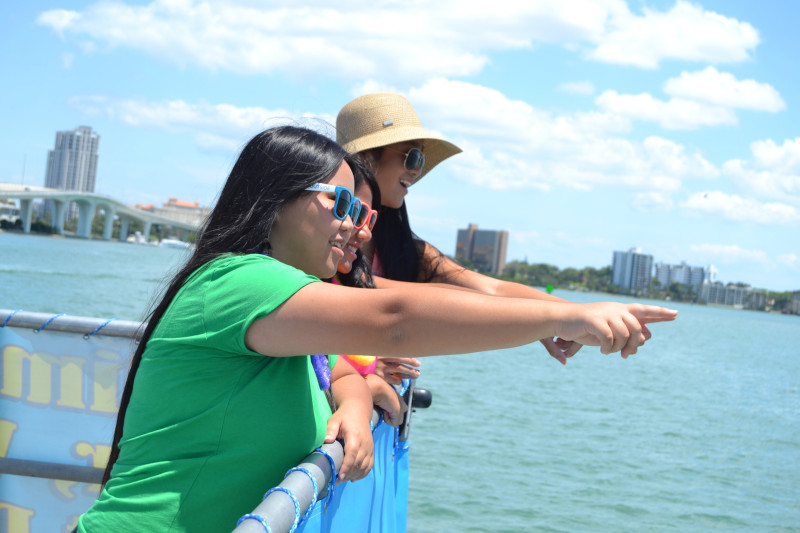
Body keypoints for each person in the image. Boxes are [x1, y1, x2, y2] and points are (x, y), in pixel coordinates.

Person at [77, 125, 676, 532]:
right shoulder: (236, 281)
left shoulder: (289, 307)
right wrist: (565, 315)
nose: (357, 226)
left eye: (362, 211)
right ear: (275, 202)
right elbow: (392, 322)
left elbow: (336, 363)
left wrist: (357, 403)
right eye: (340, 204)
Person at [336, 93, 587, 365]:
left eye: (420, 161)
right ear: (367, 158)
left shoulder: (405, 249)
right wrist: (549, 318)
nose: (416, 171)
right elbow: (388, 300)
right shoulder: (329, 241)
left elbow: (492, 290)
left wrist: (583, 314)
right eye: (412, 157)